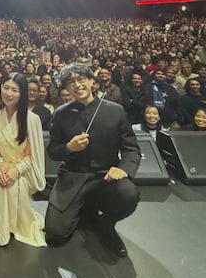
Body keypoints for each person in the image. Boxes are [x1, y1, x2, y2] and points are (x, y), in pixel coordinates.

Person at [45, 64, 140, 257]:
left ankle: (106, 223)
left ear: (91, 81)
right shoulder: (60, 114)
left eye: (81, 79)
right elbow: (53, 152)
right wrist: (68, 148)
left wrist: (123, 170)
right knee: (55, 235)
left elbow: (131, 149)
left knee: (129, 194)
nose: (77, 85)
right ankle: (86, 208)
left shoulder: (116, 111)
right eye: (71, 82)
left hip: (106, 177)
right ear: (66, 88)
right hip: (73, 177)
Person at [0, 73, 46, 247]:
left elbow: (31, 155)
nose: (9, 93)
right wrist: (0, 165)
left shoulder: (32, 119)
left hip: (21, 171)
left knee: (11, 187)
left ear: (22, 93)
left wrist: (16, 171)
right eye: (6, 88)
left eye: (14, 90)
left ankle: (7, 227)